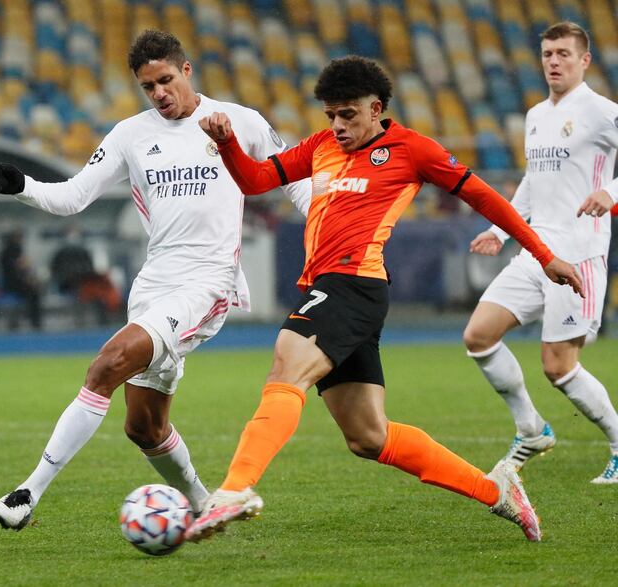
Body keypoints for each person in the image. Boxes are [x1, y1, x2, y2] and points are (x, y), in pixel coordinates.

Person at [185, 55, 584, 544]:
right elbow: (255, 181)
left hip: (353, 284)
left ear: (376, 108)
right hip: (332, 287)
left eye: (348, 115)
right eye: (330, 115)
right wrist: (227, 144)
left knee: (285, 367)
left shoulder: (411, 149)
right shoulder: (320, 147)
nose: (337, 126)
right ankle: (495, 489)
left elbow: (483, 197)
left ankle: (233, 491)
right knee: (368, 437)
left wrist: (543, 255)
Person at [0, 30, 311, 530]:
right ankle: (205, 505)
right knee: (143, 426)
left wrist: (333, 239)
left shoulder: (239, 122)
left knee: (107, 364)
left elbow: (299, 187)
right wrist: (22, 186)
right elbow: (72, 198)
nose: (159, 93)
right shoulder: (131, 135)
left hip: (208, 282)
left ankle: (27, 494)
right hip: (154, 284)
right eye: (147, 86)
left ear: (187, 71)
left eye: (165, 80)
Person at [462, 22, 618, 484]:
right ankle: (532, 428)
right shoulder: (534, 116)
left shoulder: (601, 111)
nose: (554, 61)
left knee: (558, 366)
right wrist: (500, 228)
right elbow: (533, 182)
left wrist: (611, 192)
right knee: (479, 335)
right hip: (536, 251)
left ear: (585, 61)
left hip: (578, 256)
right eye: (548, 53)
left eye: (564, 54)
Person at [0, 230, 43, 330]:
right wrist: (31, 280)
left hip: (11, 283)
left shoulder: (4, 251)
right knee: (34, 293)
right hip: (13, 284)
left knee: (33, 290)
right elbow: (22, 266)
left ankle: (28, 321)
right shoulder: (15, 250)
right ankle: (35, 323)